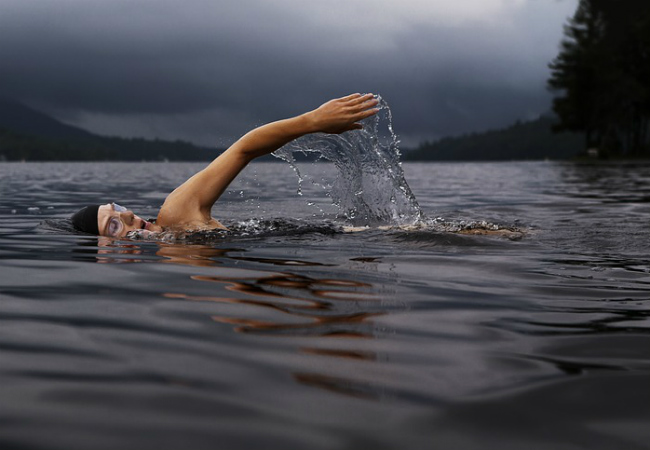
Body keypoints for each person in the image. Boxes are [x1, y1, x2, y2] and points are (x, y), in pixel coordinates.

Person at [71, 93, 379, 237]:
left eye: (118, 208)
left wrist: (312, 121)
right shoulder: (172, 267)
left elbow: (243, 150)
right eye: (113, 225)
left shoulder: (176, 215)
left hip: (358, 237)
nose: (127, 215)